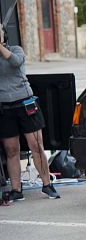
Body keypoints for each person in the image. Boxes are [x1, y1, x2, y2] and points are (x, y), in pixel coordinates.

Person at [0, 28, 60, 201]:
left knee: (36, 145)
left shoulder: (16, 50)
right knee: (11, 149)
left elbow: (15, 62)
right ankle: (16, 189)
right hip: (5, 106)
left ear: (4, 34)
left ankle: (47, 184)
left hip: (25, 103)